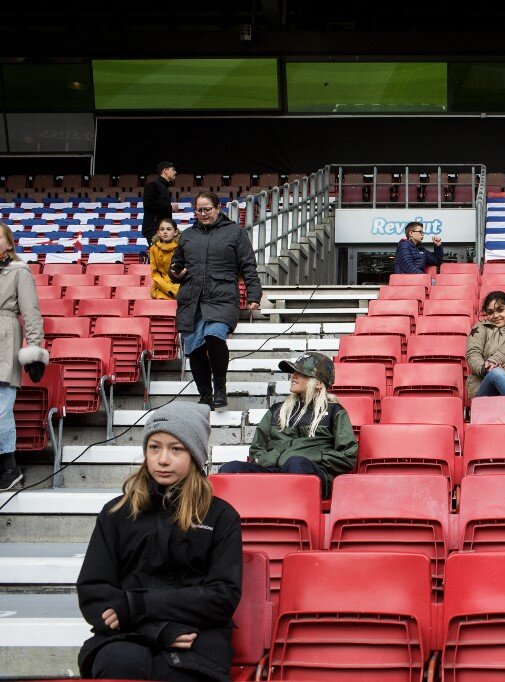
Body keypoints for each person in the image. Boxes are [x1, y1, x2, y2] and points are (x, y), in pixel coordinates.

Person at [76, 402, 242, 682]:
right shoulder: (116, 513)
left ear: (195, 454)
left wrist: (138, 605)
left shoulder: (221, 516)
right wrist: (155, 630)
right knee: (120, 663)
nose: (163, 459)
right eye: (154, 447)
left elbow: (221, 597)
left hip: (195, 638)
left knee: (174, 673)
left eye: (176, 449)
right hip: (124, 637)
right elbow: (95, 592)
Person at [217, 352, 357, 499]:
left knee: (295, 463)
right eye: (293, 372)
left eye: (301, 373)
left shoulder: (334, 411)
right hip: (274, 470)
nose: (293, 376)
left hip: (311, 475)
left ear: (318, 383)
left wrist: (311, 456)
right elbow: (257, 449)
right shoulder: (277, 410)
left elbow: (348, 455)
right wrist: (269, 460)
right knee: (230, 469)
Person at [171, 192, 261, 410]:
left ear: (218, 208)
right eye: (199, 210)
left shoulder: (235, 233)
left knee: (214, 336)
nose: (203, 214)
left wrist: (253, 295)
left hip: (222, 295)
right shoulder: (187, 235)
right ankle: (205, 395)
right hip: (192, 298)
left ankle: (219, 387)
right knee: (194, 348)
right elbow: (175, 265)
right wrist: (176, 273)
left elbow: (248, 265)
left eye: (207, 209)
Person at [0, 221, 48, 490]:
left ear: (8, 242)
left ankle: (8, 466)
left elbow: (30, 312)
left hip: (4, 338)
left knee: (1, 409)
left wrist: (35, 351)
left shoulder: (19, 271)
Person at [467, 291, 505, 398]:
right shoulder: (479, 328)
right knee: (497, 373)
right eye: (490, 312)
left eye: (500, 310)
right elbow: (473, 353)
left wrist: (493, 362)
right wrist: (485, 369)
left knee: (498, 372)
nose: (495, 316)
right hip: (483, 385)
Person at [142, 161, 177, 245]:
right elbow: (148, 204)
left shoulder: (164, 187)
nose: (175, 172)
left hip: (161, 228)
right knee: (158, 254)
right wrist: (169, 207)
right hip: (154, 228)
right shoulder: (153, 185)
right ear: (165, 170)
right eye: (173, 170)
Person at [149, 218, 180, 300]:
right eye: (162, 229)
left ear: (175, 232)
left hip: (178, 282)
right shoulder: (153, 249)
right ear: (158, 233)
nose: (165, 232)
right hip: (161, 285)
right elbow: (155, 273)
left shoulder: (181, 248)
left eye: (169, 229)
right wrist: (167, 288)